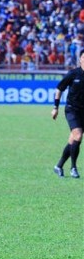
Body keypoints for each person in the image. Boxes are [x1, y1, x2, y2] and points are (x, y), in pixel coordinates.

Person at [52, 50, 84, 179]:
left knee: (73, 140)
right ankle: (73, 168)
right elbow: (59, 89)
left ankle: (58, 166)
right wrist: (55, 107)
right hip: (72, 110)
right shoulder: (73, 74)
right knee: (78, 135)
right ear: (80, 59)